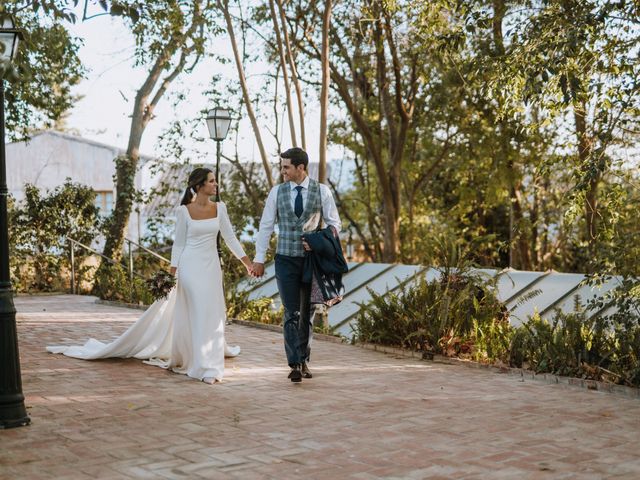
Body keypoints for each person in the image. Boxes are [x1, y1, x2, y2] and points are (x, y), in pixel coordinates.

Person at [47, 168, 252, 384]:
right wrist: (170, 276)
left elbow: (230, 238)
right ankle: (206, 366)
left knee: (211, 313)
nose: (216, 185)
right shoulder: (184, 211)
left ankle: (205, 356)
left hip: (211, 268)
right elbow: (179, 244)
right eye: (211, 181)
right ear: (200, 186)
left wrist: (248, 263)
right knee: (198, 311)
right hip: (190, 267)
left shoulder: (221, 208)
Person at [251, 148, 341, 382]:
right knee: (292, 311)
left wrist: (319, 242)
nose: (282, 171)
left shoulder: (322, 191)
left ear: (301, 168)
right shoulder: (276, 192)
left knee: (308, 312)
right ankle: (294, 364)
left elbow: (334, 225)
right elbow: (266, 226)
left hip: (312, 262)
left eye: (286, 167)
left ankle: (304, 360)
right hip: (285, 259)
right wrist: (259, 259)